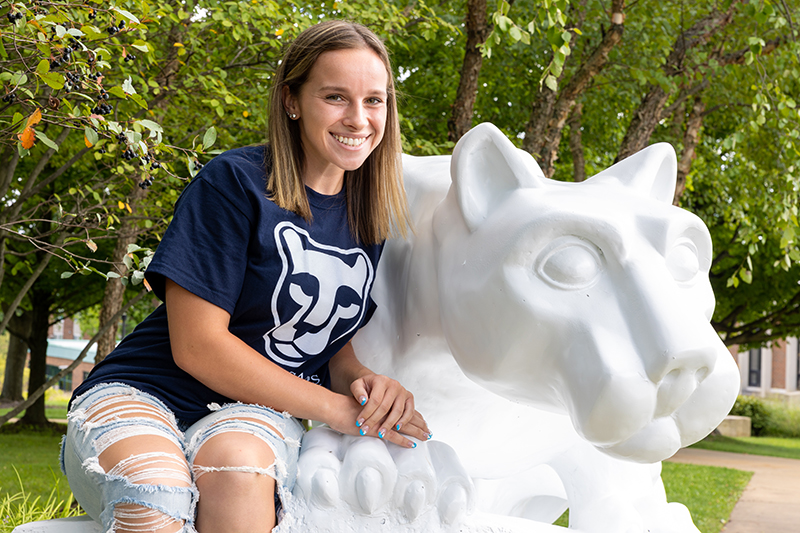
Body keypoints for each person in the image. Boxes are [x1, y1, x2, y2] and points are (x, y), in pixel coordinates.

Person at [61, 20, 430, 533]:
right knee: (156, 489)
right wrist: (336, 410)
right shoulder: (234, 183)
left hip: (253, 410)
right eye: (335, 97)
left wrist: (365, 388)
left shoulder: (367, 218)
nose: (358, 118)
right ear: (292, 101)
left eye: (374, 100)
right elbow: (197, 346)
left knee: (239, 473)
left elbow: (327, 344)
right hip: (143, 390)